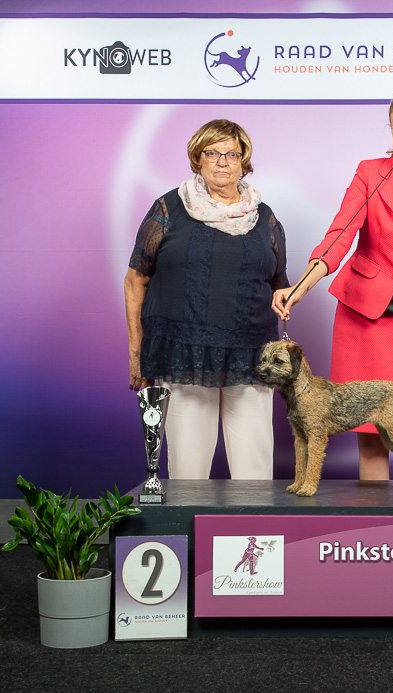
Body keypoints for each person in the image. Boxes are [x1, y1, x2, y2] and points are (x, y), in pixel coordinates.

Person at [272, 91, 393, 481]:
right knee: (371, 439)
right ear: (390, 132)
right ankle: (375, 521)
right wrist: (300, 288)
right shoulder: (369, 173)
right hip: (360, 321)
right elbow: (340, 235)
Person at [125, 119, 289, 480]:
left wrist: (287, 294)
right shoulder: (168, 209)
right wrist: (137, 352)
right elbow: (136, 279)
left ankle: (252, 523)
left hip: (250, 357)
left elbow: (279, 281)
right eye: (212, 153)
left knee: (255, 477)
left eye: (232, 154)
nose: (222, 161)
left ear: (244, 161)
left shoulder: (264, 216)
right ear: (197, 158)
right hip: (185, 356)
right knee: (187, 475)